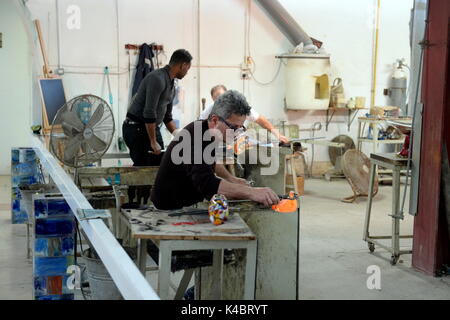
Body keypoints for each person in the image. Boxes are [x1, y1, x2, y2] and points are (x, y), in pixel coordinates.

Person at [151, 90, 280, 210]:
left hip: (186, 203)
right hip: (170, 209)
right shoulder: (195, 137)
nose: (236, 134)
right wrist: (252, 193)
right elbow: (208, 184)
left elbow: (210, 162)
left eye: (240, 128)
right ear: (214, 120)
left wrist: (231, 178)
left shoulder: (209, 132)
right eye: (233, 128)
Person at [122, 49, 192, 203]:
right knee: (144, 166)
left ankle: (149, 202)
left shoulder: (172, 84)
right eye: (188, 68)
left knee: (159, 163)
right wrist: (153, 141)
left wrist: (179, 135)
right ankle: (135, 203)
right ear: (182, 65)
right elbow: (149, 113)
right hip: (136, 128)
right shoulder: (157, 79)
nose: (187, 72)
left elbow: (167, 117)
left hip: (151, 127)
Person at [199, 85, 290, 144]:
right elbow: (200, 129)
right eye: (217, 99)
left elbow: (260, 119)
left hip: (240, 141)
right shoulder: (208, 112)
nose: (220, 103)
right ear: (212, 99)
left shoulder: (239, 106)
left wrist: (277, 134)